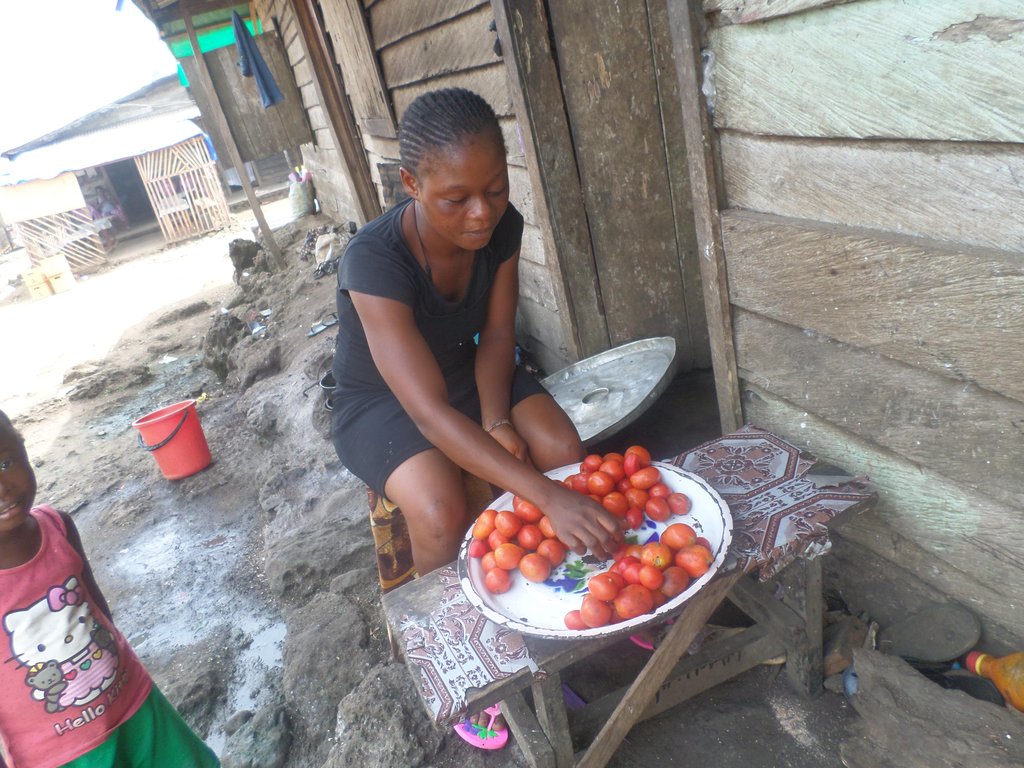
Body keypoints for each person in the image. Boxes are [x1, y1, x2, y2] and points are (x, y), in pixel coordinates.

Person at [329, 87, 623, 748]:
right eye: (455, 198)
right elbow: (428, 412)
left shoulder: (502, 227)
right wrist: (545, 496)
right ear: (410, 183)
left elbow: (496, 336)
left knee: (556, 441)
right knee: (437, 507)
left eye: (494, 188)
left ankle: (579, 593)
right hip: (382, 400)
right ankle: (463, 654)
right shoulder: (374, 260)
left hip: (469, 371)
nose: (481, 213)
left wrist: (497, 421)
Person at [0, 409, 219, 768]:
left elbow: (98, 609)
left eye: (7, 462)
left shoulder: (57, 526)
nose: (3, 487)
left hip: (133, 706)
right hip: (59, 756)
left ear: (25, 450)